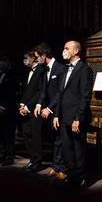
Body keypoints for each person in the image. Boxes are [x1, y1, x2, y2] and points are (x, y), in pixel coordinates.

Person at [53, 40, 93, 189]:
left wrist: (78, 118)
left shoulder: (84, 70)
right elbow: (60, 94)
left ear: (76, 51)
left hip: (76, 118)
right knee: (66, 148)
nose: (64, 51)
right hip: (63, 117)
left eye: (66, 48)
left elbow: (85, 96)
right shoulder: (64, 69)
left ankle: (81, 177)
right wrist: (57, 115)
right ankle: (71, 175)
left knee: (78, 149)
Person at [33, 43, 66, 179]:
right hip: (50, 109)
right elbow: (44, 90)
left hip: (60, 110)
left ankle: (62, 169)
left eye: (37, 57)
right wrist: (39, 105)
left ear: (44, 56)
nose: (36, 60)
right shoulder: (45, 69)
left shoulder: (60, 68)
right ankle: (56, 166)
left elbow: (60, 92)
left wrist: (49, 108)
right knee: (54, 139)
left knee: (60, 139)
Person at [0, 53, 19, 166]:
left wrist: (4, 106)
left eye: (4, 61)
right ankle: (2, 155)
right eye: (1, 61)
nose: (1, 63)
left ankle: (9, 157)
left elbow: (12, 93)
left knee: (8, 134)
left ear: (9, 63)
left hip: (8, 110)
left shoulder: (13, 75)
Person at [19, 48, 46, 171]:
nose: (25, 60)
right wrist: (22, 104)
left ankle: (38, 162)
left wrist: (28, 106)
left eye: (26, 58)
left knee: (35, 135)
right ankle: (32, 160)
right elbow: (26, 91)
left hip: (35, 108)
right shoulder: (27, 71)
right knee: (26, 134)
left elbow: (40, 91)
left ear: (33, 58)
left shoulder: (41, 70)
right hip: (25, 107)